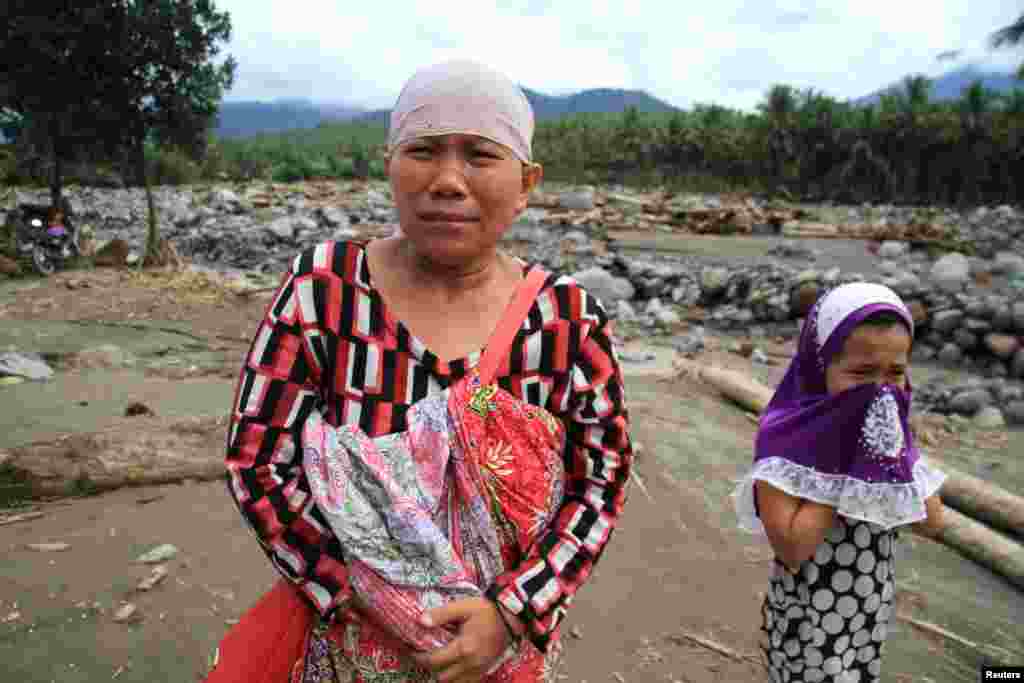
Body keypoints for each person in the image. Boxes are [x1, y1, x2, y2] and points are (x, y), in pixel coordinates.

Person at [216, 60, 633, 683]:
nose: (447, 180)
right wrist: (356, 594)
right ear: (389, 163)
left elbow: (598, 483)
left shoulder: (567, 323)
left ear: (527, 183)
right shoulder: (323, 291)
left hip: (498, 649)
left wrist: (510, 613)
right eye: (424, 151)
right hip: (351, 636)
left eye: (480, 156)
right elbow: (258, 457)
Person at [731, 282, 946, 683]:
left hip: (868, 613)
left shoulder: (886, 433)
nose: (880, 389)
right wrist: (847, 459)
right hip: (809, 622)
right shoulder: (784, 438)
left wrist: (895, 451)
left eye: (895, 373)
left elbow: (932, 523)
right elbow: (793, 548)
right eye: (862, 374)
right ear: (819, 366)